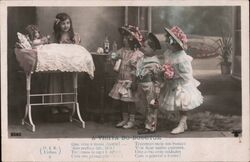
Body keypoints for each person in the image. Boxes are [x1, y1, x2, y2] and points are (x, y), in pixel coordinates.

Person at [160, 26, 203, 134]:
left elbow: (187, 74)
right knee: (178, 104)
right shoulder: (169, 53)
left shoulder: (182, 57)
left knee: (182, 103)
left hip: (182, 84)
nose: (166, 42)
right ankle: (184, 123)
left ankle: (182, 123)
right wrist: (165, 71)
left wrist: (173, 75)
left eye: (167, 41)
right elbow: (167, 65)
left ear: (174, 43)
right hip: (173, 82)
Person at [109, 25, 144, 129]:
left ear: (132, 40)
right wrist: (113, 53)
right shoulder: (122, 50)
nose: (124, 40)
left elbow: (138, 69)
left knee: (130, 102)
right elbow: (115, 56)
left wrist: (134, 81)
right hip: (121, 80)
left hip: (130, 80)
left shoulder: (137, 54)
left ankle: (132, 120)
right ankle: (124, 119)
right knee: (123, 101)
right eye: (123, 38)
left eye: (126, 38)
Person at [47, 12, 81, 114]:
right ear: (58, 25)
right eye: (63, 23)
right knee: (55, 82)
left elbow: (77, 49)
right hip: (57, 63)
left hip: (68, 64)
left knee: (67, 83)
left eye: (68, 23)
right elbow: (51, 49)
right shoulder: (54, 36)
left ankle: (65, 104)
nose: (66, 26)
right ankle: (54, 105)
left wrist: (75, 43)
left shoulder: (74, 36)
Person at [136, 33, 163, 134]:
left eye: (145, 46)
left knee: (151, 106)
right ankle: (145, 123)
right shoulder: (142, 59)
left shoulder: (154, 62)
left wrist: (157, 89)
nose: (142, 48)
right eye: (142, 46)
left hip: (150, 86)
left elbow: (158, 78)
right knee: (143, 105)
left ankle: (150, 127)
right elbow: (138, 70)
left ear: (152, 49)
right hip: (141, 85)